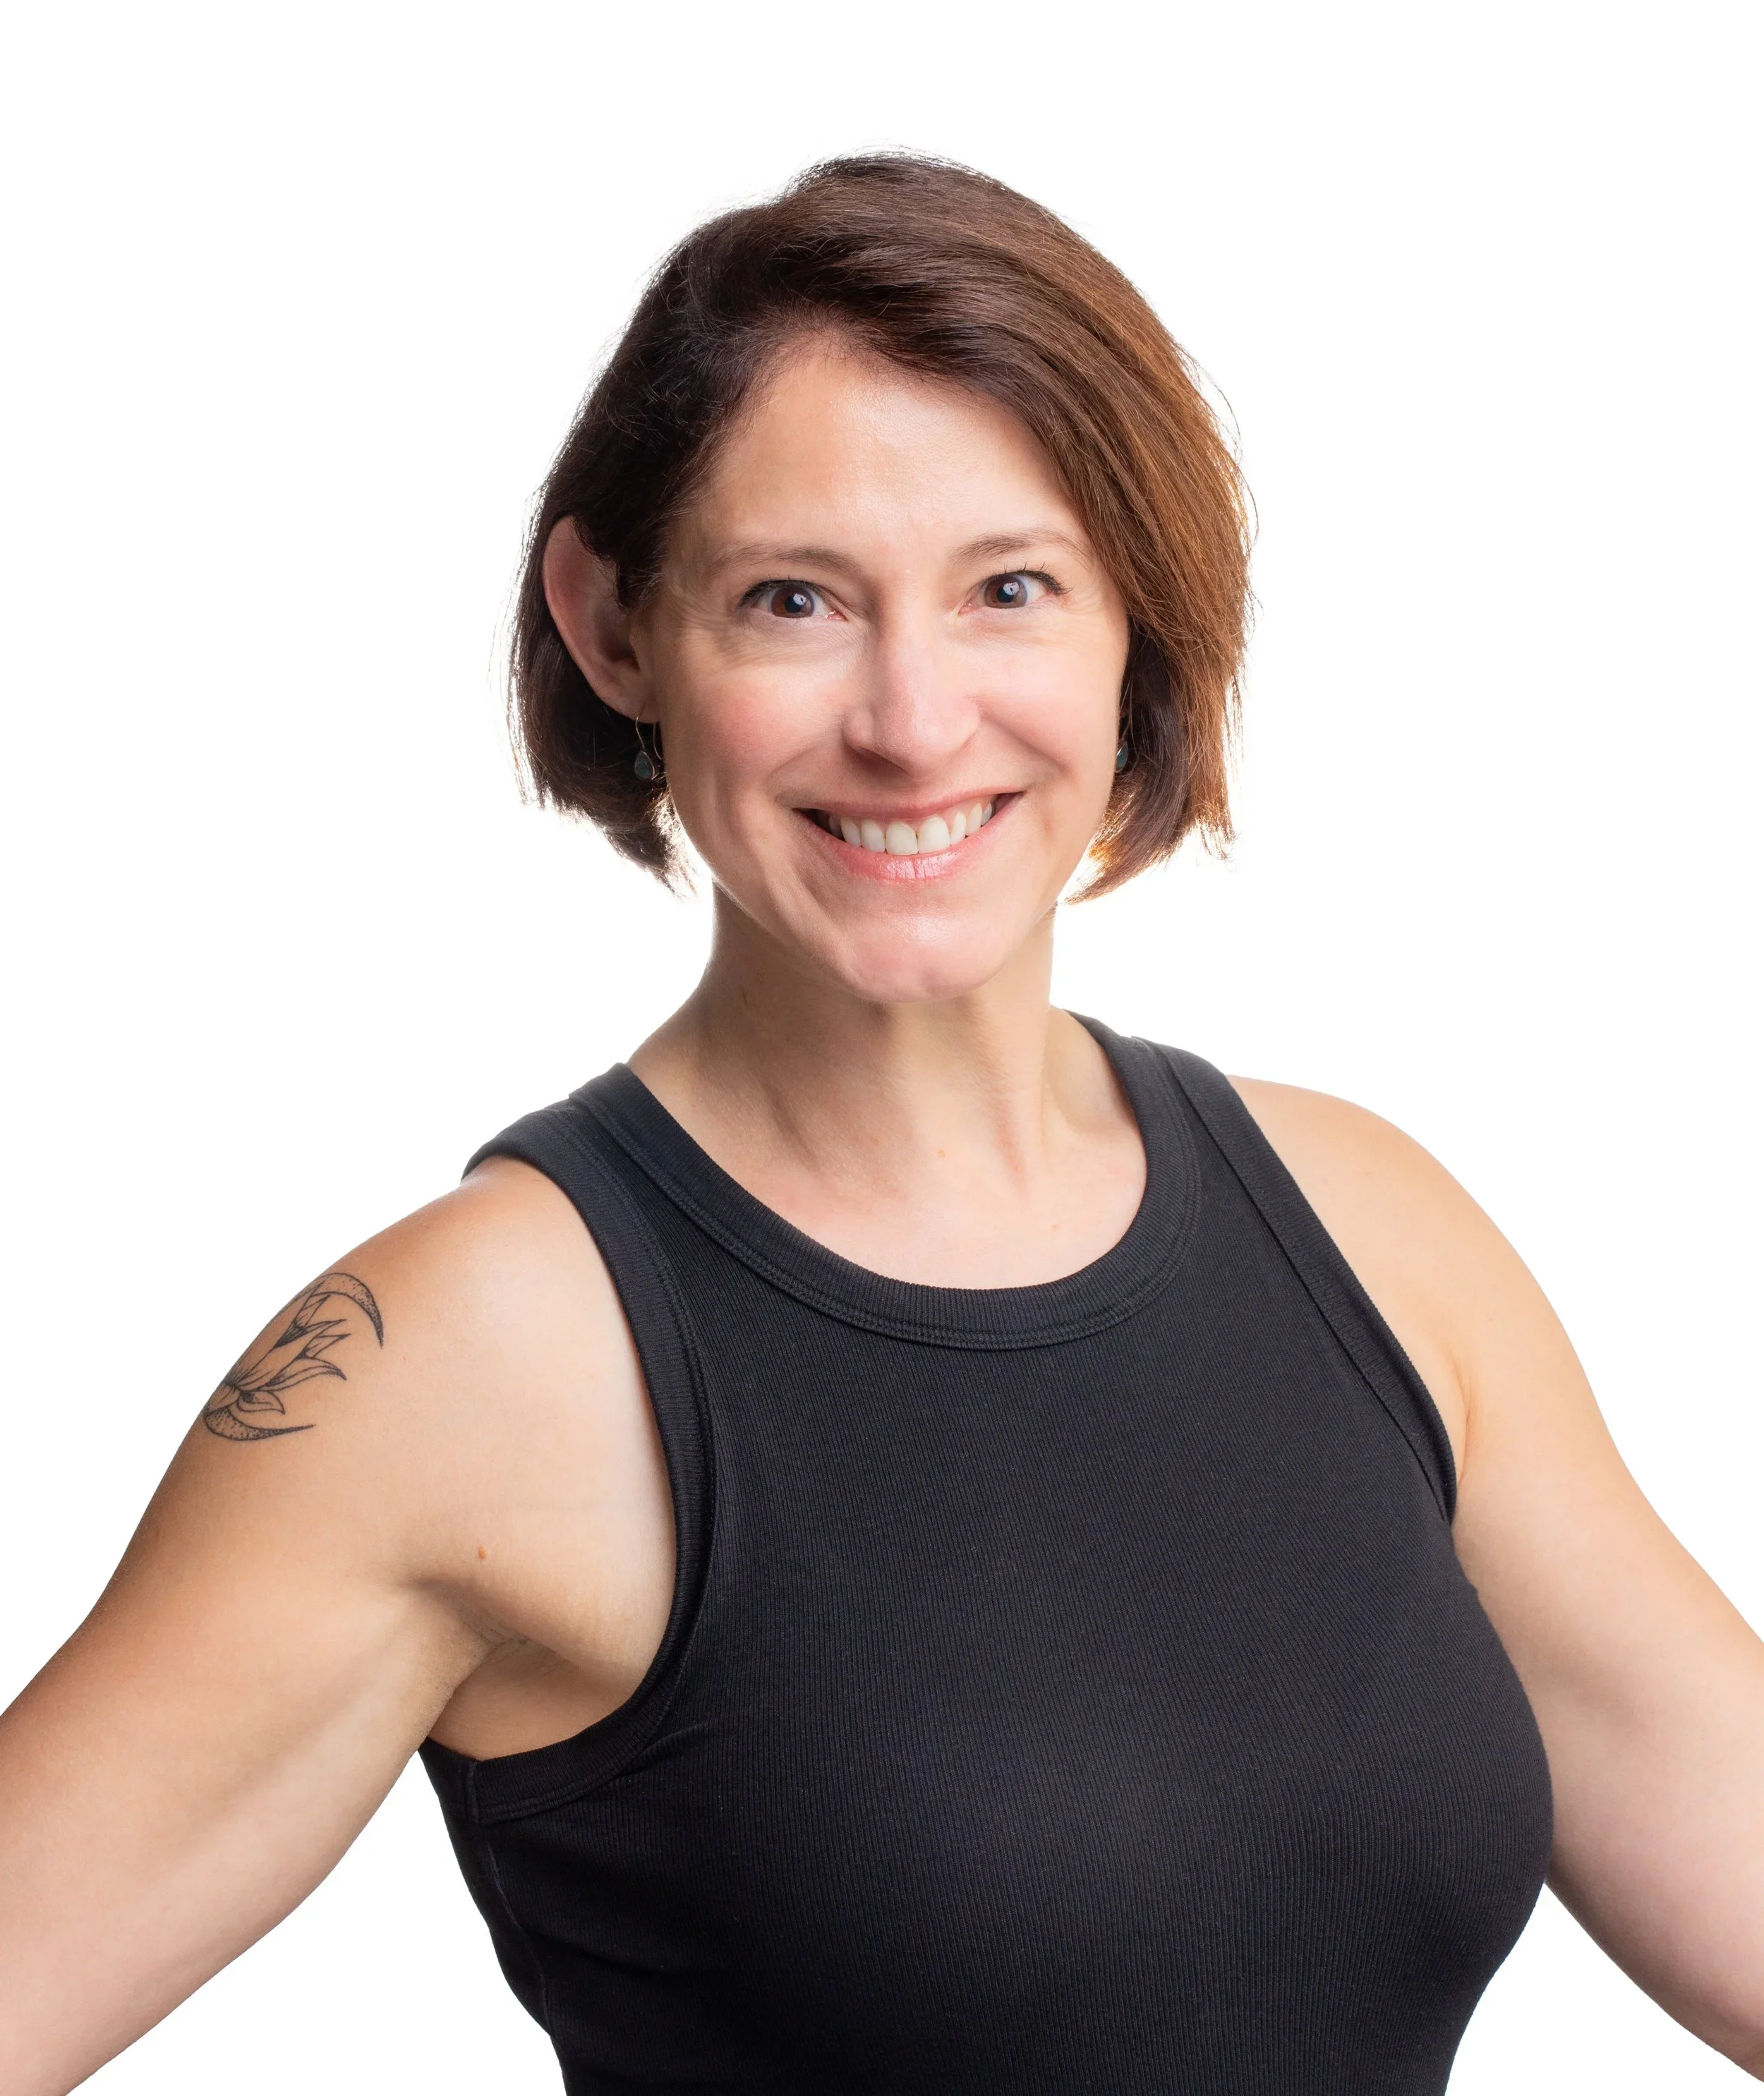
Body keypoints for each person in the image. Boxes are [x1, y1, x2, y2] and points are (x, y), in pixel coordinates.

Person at [1, 153, 1759, 2096]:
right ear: (610, 626)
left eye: (1009, 588)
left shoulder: (1368, 1230)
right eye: (792, 602)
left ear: (1130, 628)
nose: (914, 722)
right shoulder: (471, 1362)